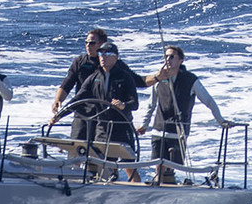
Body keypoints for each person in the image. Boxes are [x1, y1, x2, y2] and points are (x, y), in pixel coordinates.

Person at [138, 46, 232, 184]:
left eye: (171, 57)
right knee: (158, 167)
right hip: (158, 129)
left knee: (169, 166)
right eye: (166, 57)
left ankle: (168, 187)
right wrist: (144, 125)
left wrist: (221, 121)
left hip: (178, 131)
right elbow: (151, 105)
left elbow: (208, 101)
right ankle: (158, 190)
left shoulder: (190, 80)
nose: (167, 60)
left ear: (180, 60)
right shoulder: (159, 77)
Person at [50, 28, 150, 139]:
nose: (88, 45)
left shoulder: (122, 72)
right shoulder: (89, 72)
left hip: (111, 121)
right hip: (83, 115)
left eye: (92, 43)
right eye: (86, 42)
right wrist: (59, 112)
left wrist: (158, 77)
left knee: (109, 150)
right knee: (79, 149)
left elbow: (139, 84)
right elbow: (71, 90)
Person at [76, 42, 143, 182]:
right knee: (102, 165)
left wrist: (123, 105)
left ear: (116, 58)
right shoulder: (94, 78)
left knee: (129, 165)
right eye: (101, 54)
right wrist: (58, 116)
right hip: (102, 130)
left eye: (107, 54)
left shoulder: (125, 77)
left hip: (122, 128)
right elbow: (78, 99)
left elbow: (134, 103)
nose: (102, 57)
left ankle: (138, 192)